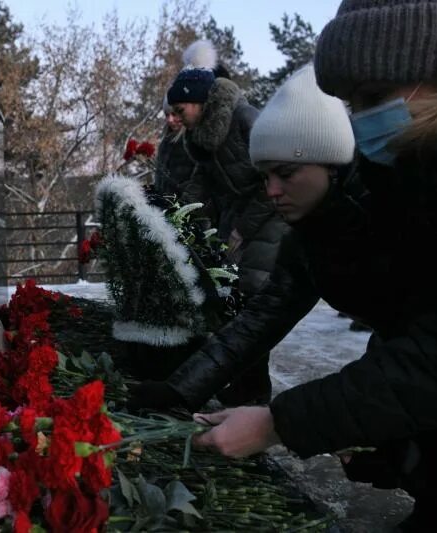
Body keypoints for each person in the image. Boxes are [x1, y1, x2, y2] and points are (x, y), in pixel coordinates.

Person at [195, 1, 437, 530]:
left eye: (370, 98)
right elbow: (413, 321)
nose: (361, 121)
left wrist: (286, 422)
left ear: (436, 63)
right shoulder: (424, 157)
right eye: (351, 104)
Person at [128, 42, 318, 410]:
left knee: (250, 300)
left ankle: (254, 390)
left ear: (198, 102)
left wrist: (242, 230)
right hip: (240, 221)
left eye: (180, 110)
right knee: (237, 304)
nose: (176, 118)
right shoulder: (204, 136)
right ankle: (247, 386)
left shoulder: (246, 120)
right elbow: (203, 180)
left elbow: (274, 185)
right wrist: (174, 212)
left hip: (269, 220)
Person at [153, 95, 196, 197]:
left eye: (174, 114)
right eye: (167, 115)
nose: (170, 120)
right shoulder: (165, 144)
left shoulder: (194, 143)